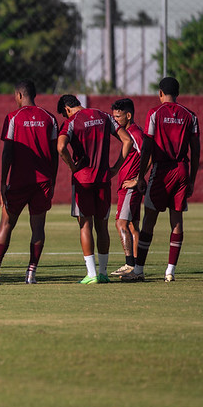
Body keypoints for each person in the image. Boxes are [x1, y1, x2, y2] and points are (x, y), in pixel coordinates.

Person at [0, 80, 58, 285]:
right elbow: (55, 154)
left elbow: (8, 153)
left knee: (6, 224)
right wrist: (53, 181)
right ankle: (31, 274)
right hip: (43, 182)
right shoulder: (50, 118)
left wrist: (2, 182)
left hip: (19, 181)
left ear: (20, 95)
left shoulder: (13, 117)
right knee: (38, 226)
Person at [56, 94, 133, 284]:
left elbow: (60, 147)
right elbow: (128, 141)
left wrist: (73, 168)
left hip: (83, 180)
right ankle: (104, 273)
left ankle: (91, 274)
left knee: (85, 225)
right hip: (103, 179)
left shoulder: (71, 122)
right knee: (102, 226)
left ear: (67, 110)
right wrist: (115, 168)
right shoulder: (104, 116)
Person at [133, 77, 199, 282]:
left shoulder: (154, 113)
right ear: (177, 93)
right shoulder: (191, 116)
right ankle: (170, 271)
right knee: (177, 221)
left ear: (160, 93)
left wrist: (140, 175)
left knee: (149, 221)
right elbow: (196, 152)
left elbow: (146, 148)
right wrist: (191, 180)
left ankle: (138, 270)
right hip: (181, 169)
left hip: (161, 170)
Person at [109, 98, 145, 282]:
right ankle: (137, 270)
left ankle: (129, 264)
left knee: (120, 224)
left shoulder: (135, 133)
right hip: (126, 186)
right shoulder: (127, 132)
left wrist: (138, 179)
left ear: (128, 115)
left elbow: (149, 153)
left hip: (129, 188)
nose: (115, 120)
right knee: (132, 226)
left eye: (118, 116)